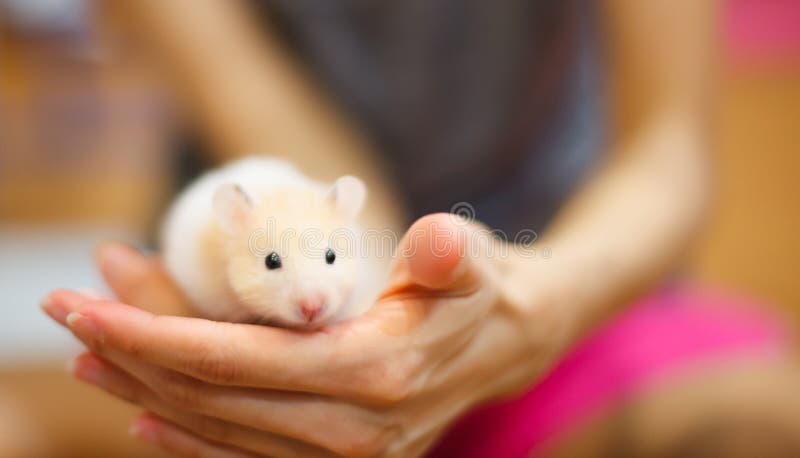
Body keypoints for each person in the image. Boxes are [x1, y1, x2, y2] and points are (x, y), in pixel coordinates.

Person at [40, 1, 776, 456]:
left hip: (573, 272)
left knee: (757, 427)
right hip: (274, 348)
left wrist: (532, 309)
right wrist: (377, 313)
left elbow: (671, 150)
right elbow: (258, 105)